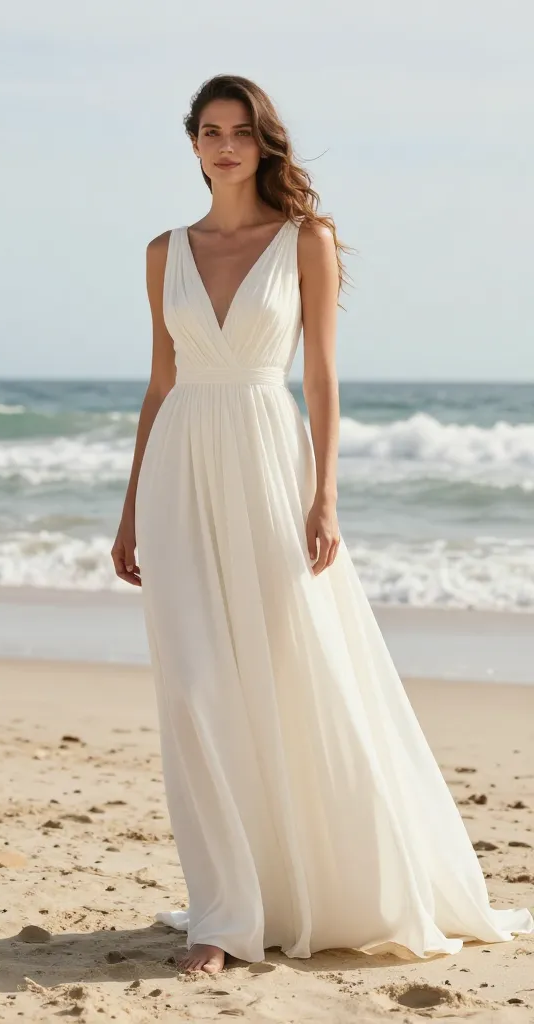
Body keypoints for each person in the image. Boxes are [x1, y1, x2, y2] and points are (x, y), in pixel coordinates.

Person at [111, 74, 533, 976]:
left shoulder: (307, 240)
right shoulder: (163, 250)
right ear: (192, 144)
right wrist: (129, 507)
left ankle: (311, 883)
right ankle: (223, 914)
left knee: (289, 668)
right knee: (193, 688)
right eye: (209, 131)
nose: (225, 146)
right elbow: (160, 383)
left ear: (265, 142)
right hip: (181, 471)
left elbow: (325, 378)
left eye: (241, 131)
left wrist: (326, 494)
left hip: (270, 458)